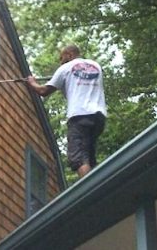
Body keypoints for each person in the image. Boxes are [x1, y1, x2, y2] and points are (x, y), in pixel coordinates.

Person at [27, 45, 106, 178]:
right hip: (98, 117)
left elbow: (43, 91)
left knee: (79, 158)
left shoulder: (65, 68)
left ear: (69, 54)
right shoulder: (95, 66)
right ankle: (96, 185)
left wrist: (32, 82)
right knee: (89, 158)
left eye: (61, 57)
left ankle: (88, 191)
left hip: (79, 116)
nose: (61, 61)